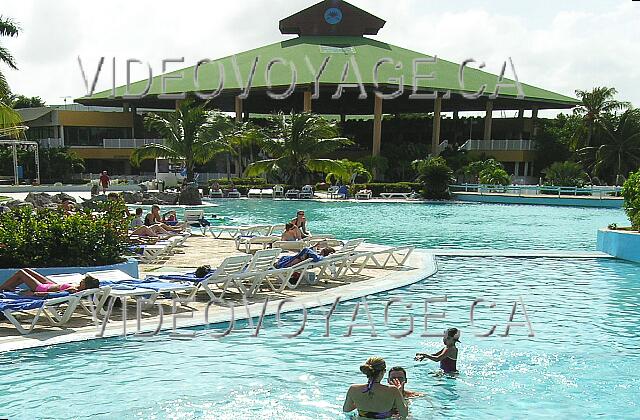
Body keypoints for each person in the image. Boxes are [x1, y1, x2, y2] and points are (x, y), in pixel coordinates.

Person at [343, 356, 408, 419]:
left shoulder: (353, 389)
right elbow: (404, 414)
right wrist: (399, 392)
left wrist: (361, 402)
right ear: (382, 372)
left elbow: (346, 409)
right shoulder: (392, 390)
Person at [0, 268, 100, 295]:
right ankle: (8, 287)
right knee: (26, 270)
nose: (81, 280)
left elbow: (56, 293)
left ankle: (1, 288)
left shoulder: (73, 289)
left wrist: (35, 293)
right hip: (50, 285)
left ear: (85, 285)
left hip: (42, 288)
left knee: (21, 273)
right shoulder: (78, 287)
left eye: (83, 281)